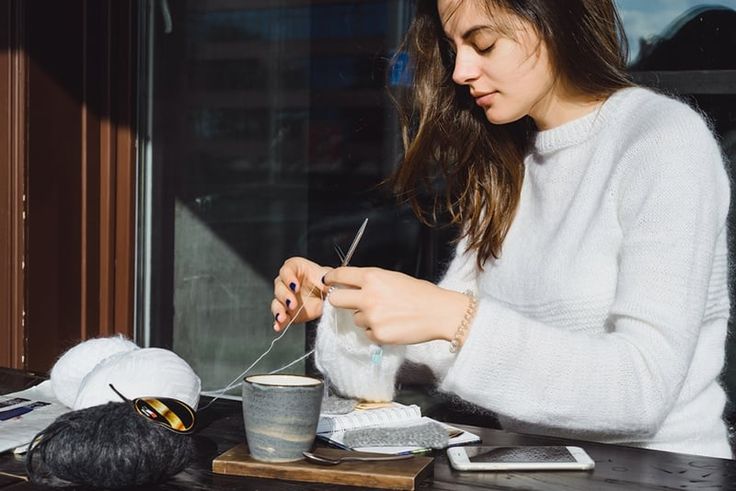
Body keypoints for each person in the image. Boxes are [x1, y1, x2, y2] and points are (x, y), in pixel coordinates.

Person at [271, 0, 732, 459]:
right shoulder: (507, 163)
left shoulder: (663, 141)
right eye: (455, 50)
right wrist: (347, 308)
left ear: (553, 20)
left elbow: (642, 390)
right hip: (528, 466)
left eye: (484, 43)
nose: (461, 71)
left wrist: (451, 317)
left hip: (661, 472)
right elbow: (443, 348)